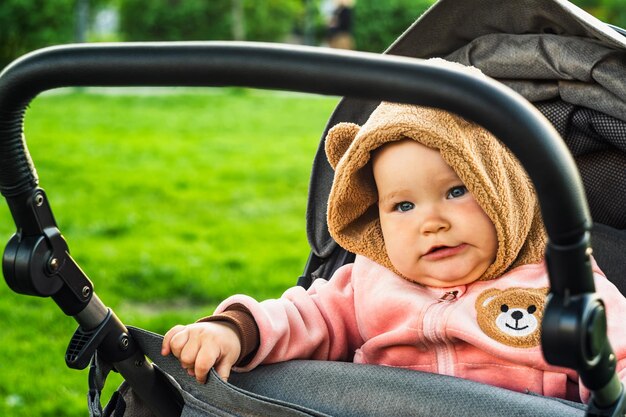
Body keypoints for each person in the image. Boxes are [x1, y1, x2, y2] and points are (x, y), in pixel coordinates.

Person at [162, 67, 626, 403]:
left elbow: (616, 360)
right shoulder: (368, 283)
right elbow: (303, 315)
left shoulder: (564, 283)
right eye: (403, 205)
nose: (431, 222)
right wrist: (233, 330)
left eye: (457, 190)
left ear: (506, 191)